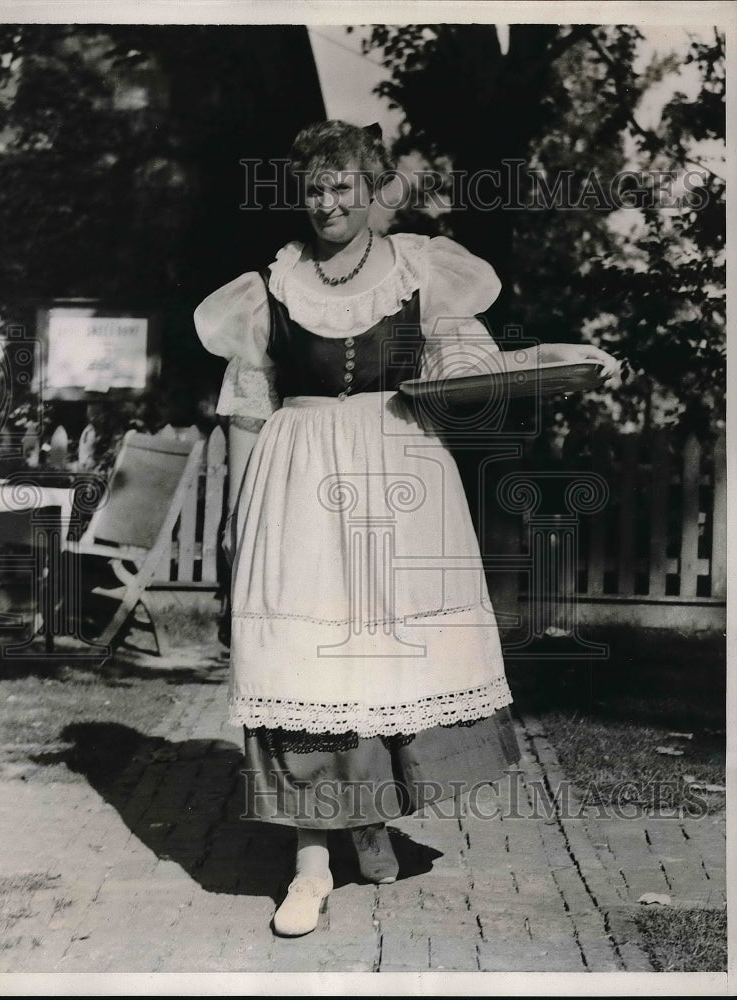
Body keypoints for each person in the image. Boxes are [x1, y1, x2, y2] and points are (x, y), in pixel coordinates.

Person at [194, 120, 619, 937]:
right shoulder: (270, 288)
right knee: (306, 664)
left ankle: (369, 819)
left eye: (342, 186)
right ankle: (311, 862)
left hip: (401, 480)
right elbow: (247, 416)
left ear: (373, 188)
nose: (326, 203)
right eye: (314, 188)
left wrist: (576, 357)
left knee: (381, 664)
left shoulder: (421, 271)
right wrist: (239, 525)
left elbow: (478, 371)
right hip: (299, 486)